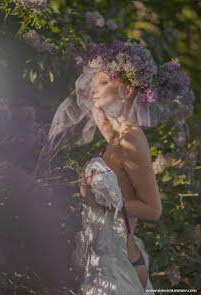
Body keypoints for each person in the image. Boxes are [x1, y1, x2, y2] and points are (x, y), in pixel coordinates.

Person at [47, 40, 194, 294]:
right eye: (94, 84)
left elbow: (153, 209)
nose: (94, 89)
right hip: (103, 262)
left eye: (103, 83)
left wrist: (97, 201)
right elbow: (100, 116)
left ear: (126, 91)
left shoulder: (131, 138)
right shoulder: (116, 135)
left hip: (121, 267)